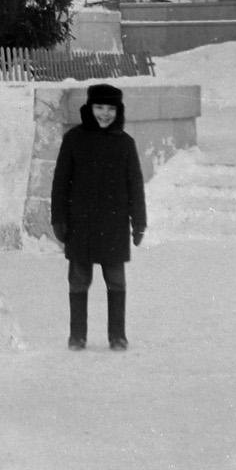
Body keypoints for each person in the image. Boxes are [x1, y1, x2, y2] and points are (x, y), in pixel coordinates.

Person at [51, 82, 147, 351]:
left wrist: (139, 221)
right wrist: (58, 218)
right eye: (99, 107)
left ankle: (117, 336)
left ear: (119, 111)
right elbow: (60, 182)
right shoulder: (74, 139)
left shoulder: (125, 144)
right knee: (79, 280)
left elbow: (135, 185)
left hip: (114, 224)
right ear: (89, 108)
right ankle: (77, 336)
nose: (105, 114)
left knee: (116, 280)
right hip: (81, 224)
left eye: (110, 109)